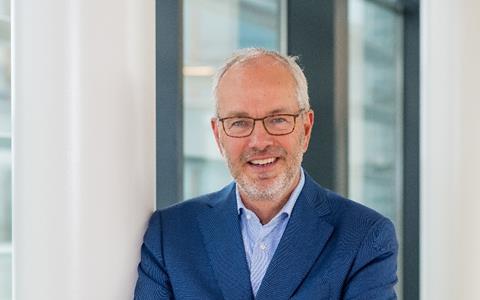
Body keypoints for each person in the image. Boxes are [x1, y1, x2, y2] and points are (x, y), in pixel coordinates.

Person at [134, 48, 398, 299]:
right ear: (218, 135)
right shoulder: (170, 234)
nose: (259, 141)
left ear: (305, 129)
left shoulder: (364, 236)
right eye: (239, 122)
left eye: (278, 119)